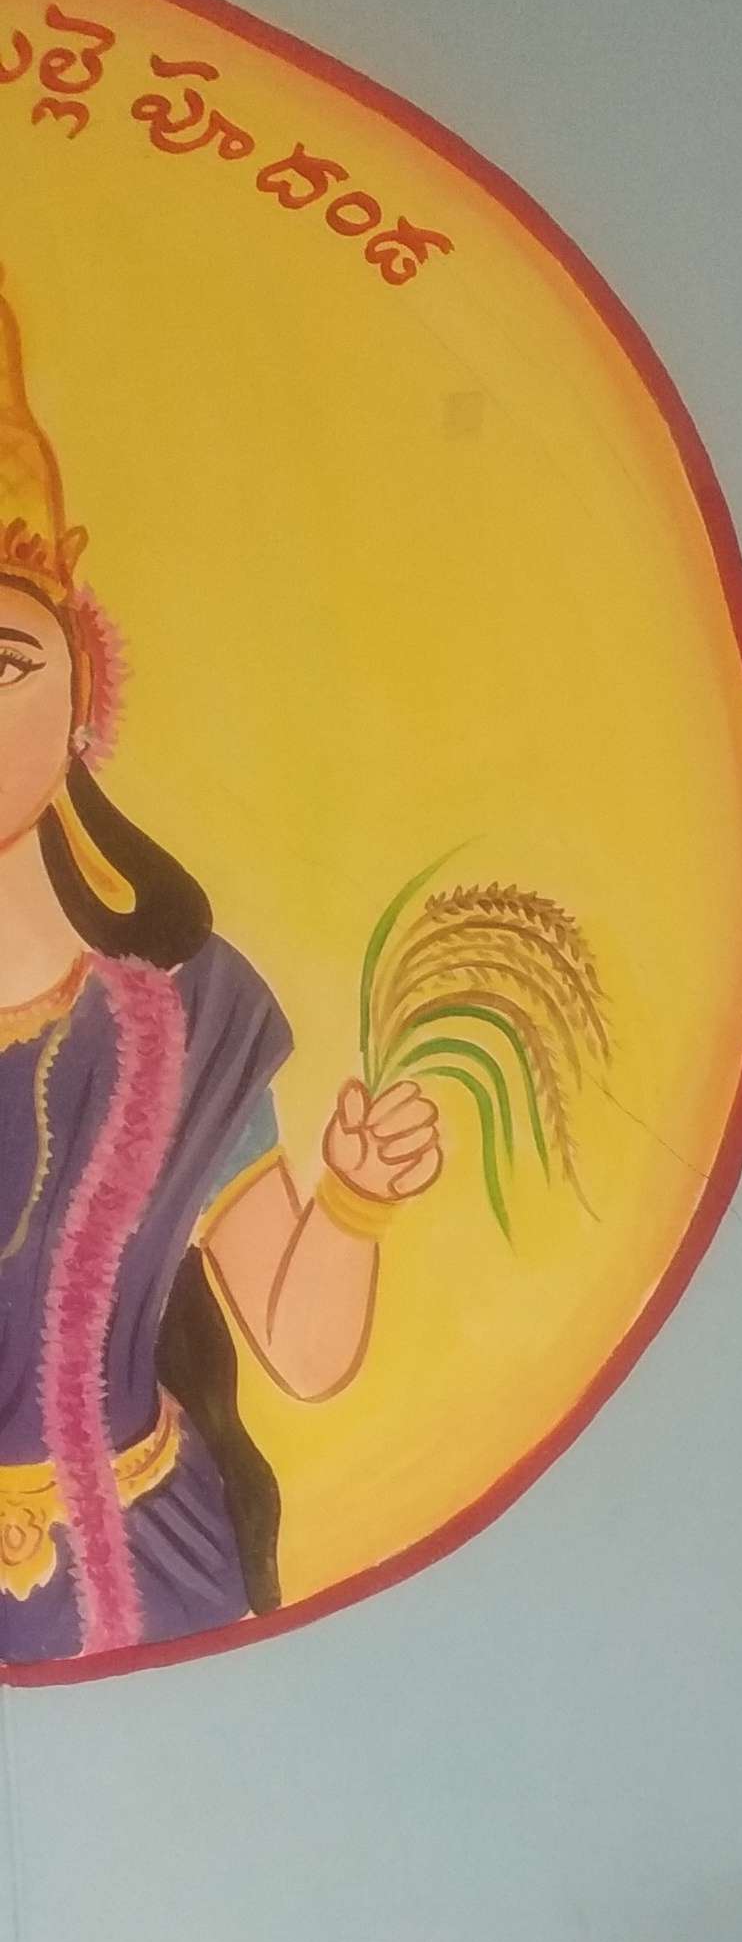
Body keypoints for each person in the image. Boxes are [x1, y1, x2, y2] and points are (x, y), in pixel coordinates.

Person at [0, 262, 441, 1668]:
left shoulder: (190, 1011)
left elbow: (301, 1354)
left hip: (146, 1567)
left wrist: (358, 1202)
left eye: (2, 665)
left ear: (84, 687)